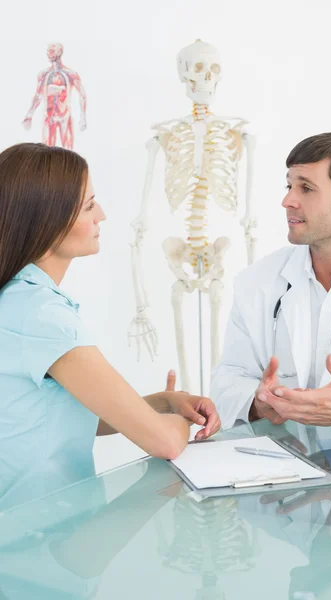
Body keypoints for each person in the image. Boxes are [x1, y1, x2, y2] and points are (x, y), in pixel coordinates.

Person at [0, 143, 220, 502]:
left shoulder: (20, 300)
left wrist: (165, 402)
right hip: (39, 534)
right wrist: (179, 424)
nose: (101, 214)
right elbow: (165, 444)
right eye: (88, 206)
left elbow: (77, 417)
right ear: (46, 221)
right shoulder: (39, 315)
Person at [211, 131, 331, 436]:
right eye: (289, 186)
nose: (288, 200)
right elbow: (227, 380)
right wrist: (259, 402)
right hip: (287, 468)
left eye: (306, 188)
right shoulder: (257, 282)